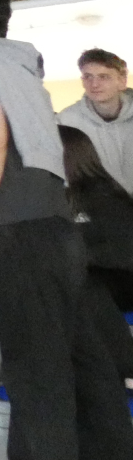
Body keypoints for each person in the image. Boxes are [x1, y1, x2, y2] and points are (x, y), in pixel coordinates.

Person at [0, 0, 133, 460]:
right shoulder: (24, 65)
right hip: (58, 229)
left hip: (20, 229)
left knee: (35, 365)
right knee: (86, 361)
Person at [60, 124, 133, 378]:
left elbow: (124, 252)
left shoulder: (104, 196)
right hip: (95, 278)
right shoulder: (62, 197)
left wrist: (76, 255)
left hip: (120, 279)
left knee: (81, 289)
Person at [58, 48, 133, 195]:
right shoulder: (66, 122)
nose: (94, 84)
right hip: (99, 204)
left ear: (122, 81)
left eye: (103, 77)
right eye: (88, 77)